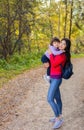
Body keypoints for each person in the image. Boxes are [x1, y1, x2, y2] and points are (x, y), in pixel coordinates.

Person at [47, 38, 71, 129]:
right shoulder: (58, 52)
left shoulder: (63, 55)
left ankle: (58, 119)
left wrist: (50, 53)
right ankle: (59, 115)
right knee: (57, 98)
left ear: (66, 47)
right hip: (53, 77)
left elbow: (54, 63)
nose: (61, 44)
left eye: (64, 44)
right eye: (61, 42)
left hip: (56, 78)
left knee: (49, 99)